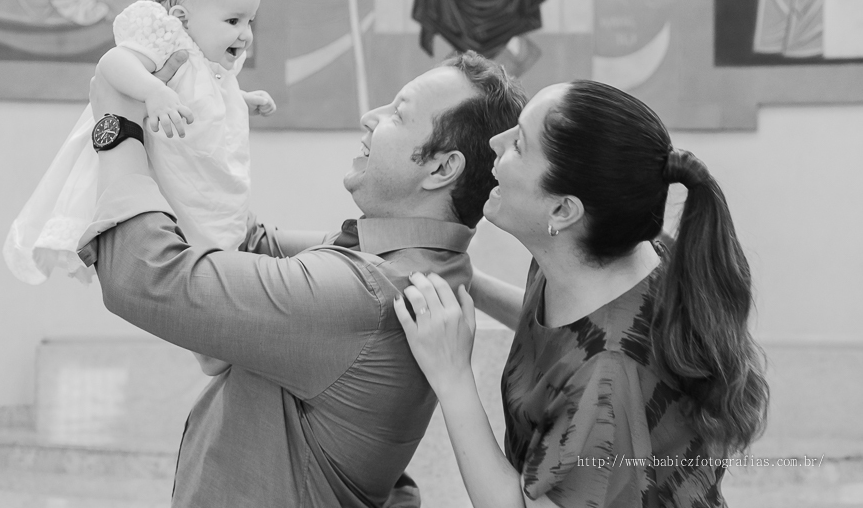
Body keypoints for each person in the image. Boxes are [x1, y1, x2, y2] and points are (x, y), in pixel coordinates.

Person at [76, 50, 525, 506]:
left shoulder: (366, 294)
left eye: (398, 114)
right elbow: (249, 243)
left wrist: (116, 126)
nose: (370, 117)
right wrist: (202, 121)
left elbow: (146, 276)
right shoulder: (416, 261)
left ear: (442, 169)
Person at [394, 80, 770, 507]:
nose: (495, 143)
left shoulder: (607, 384)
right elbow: (569, 338)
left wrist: (453, 378)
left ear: (562, 210)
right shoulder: (595, 252)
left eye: (518, 144)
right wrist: (472, 285)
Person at [3, 0, 275, 374]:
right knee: (190, 258)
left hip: (201, 183)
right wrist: (152, 92)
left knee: (214, 251)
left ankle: (211, 342)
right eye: (233, 20)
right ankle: (206, 345)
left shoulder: (213, 65)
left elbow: (205, 98)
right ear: (181, 18)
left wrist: (242, 99)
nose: (245, 33)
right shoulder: (166, 41)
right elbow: (112, 65)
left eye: (250, 21)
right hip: (168, 183)